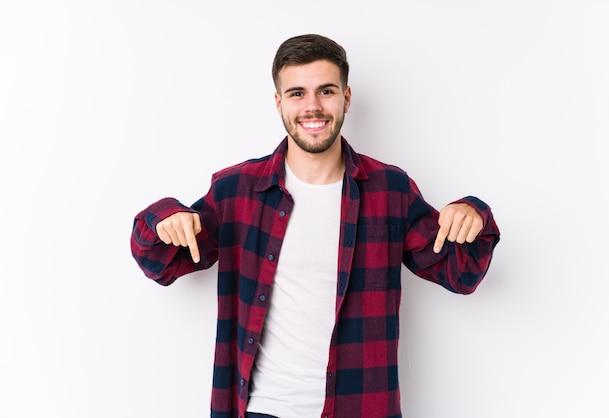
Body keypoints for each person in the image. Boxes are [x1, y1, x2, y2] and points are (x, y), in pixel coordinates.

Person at [130, 33, 500, 418]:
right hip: (259, 410)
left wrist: (473, 214)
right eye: (296, 93)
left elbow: (462, 274)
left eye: (326, 91)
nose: (312, 107)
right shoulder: (236, 190)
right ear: (278, 103)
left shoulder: (390, 190)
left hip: (359, 409)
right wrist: (164, 218)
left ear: (346, 98)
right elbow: (161, 262)